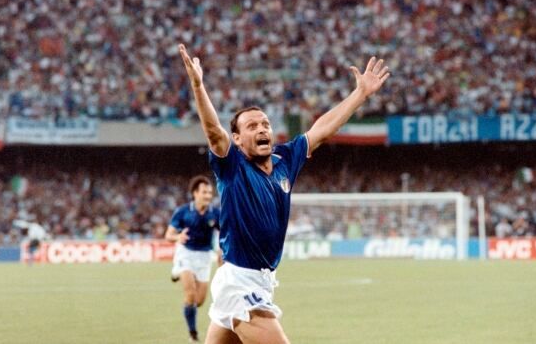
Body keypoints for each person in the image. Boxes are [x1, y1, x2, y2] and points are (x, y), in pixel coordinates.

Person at [178, 43, 390, 344]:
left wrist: (360, 94)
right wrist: (198, 86)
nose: (262, 128)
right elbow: (213, 131)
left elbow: (323, 129)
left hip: (261, 281)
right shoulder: (232, 166)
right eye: (251, 126)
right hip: (240, 283)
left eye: (265, 123)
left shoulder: (284, 160)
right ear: (237, 139)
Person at [165, 175, 221, 343]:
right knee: (190, 295)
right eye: (204, 192)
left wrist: (221, 251)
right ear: (195, 193)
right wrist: (177, 237)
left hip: (204, 257)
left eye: (210, 192)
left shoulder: (215, 213)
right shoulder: (183, 212)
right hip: (186, 254)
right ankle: (193, 335)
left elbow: (225, 233)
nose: (208, 195)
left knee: (199, 301)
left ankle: (176, 271)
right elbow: (169, 235)